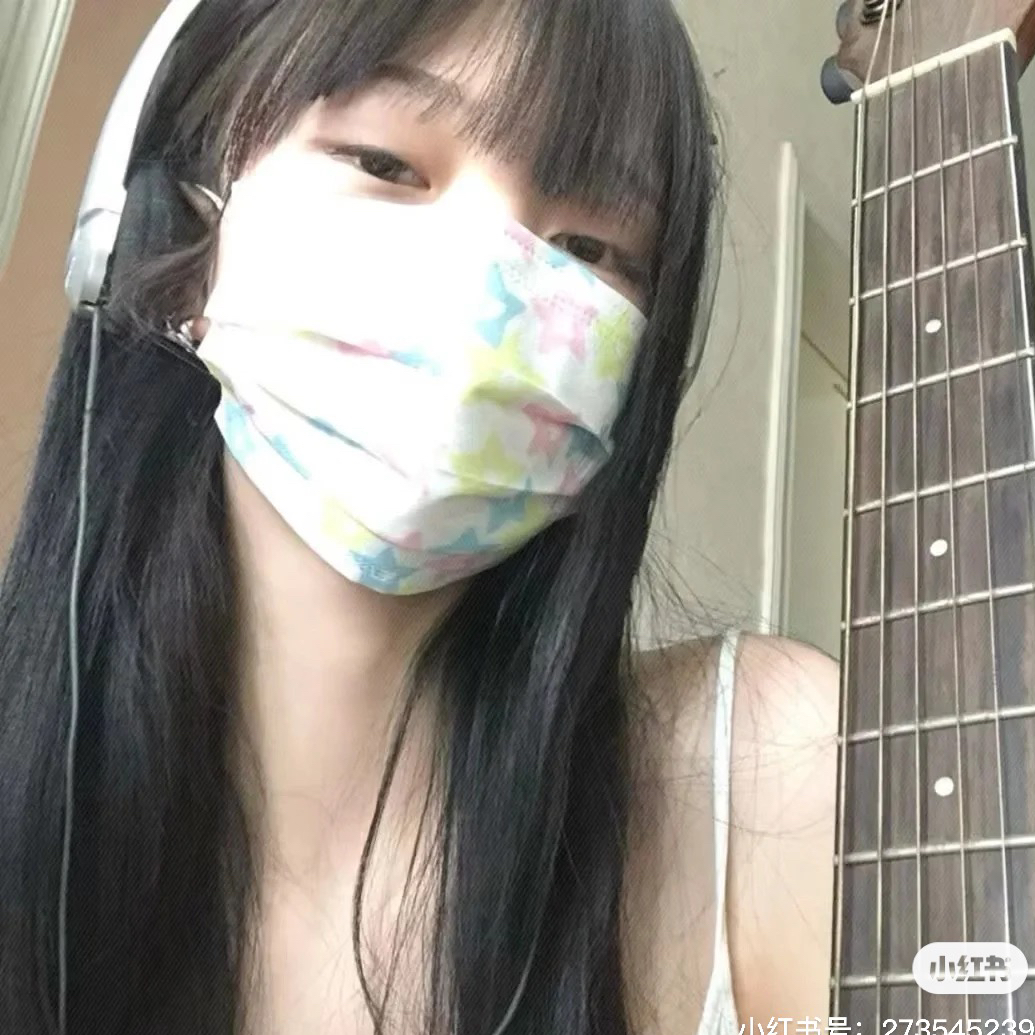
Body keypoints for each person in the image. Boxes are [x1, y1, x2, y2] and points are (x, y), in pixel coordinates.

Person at [0, 0, 841, 1033]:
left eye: (589, 245)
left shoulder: (766, 778)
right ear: (172, 225)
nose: (488, 293)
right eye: (386, 163)